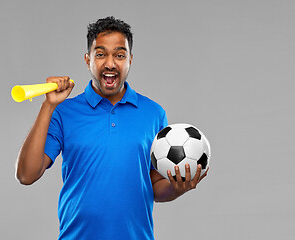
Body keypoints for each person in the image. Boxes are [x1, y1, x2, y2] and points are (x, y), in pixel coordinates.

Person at [16, 16, 208, 240]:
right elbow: (26, 175)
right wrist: (48, 105)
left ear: (130, 60)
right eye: (100, 54)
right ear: (88, 59)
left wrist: (177, 188)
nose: (110, 63)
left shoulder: (154, 113)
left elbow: (154, 186)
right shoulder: (64, 112)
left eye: (119, 55)